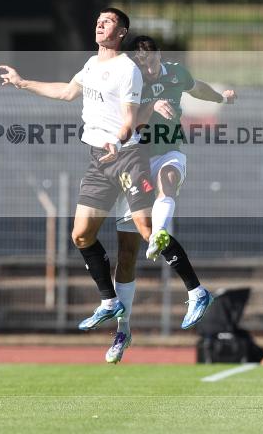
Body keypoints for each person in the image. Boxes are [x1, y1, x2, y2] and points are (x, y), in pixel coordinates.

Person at [0, 8, 213, 334]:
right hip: (99, 160)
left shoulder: (128, 70)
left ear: (121, 31)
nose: (99, 24)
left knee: (148, 231)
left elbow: (132, 119)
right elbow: (66, 92)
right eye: (98, 20)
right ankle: (109, 302)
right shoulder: (91, 64)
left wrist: (118, 140)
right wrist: (22, 82)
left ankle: (197, 292)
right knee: (81, 234)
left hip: (126, 157)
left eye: (108, 21)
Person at [106, 36, 236, 363]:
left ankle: (167, 246)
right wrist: (151, 107)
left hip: (168, 153)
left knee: (168, 182)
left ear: (157, 55)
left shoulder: (176, 73)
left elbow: (197, 87)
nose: (145, 67)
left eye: (147, 60)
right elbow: (129, 122)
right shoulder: (130, 82)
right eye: (138, 62)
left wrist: (220, 97)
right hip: (133, 162)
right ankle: (124, 329)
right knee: (126, 254)